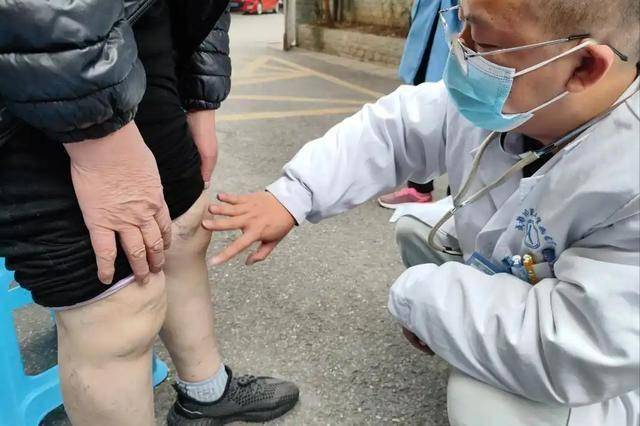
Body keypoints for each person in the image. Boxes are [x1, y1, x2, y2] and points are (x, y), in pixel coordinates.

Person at [202, 0, 640, 424]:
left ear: (584, 67)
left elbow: (575, 342)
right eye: (463, 24)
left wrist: (421, 301)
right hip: (525, 275)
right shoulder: (526, 100)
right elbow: (391, 129)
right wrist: (293, 195)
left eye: (486, 45)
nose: (462, 50)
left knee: (483, 404)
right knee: (415, 226)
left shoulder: (627, 173)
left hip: (611, 380)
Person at [0, 1, 298, 425]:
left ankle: (205, 394)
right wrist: (97, 138)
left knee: (183, 227)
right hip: (30, 54)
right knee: (111, 308)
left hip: (137, 22)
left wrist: (201, 97)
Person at [378, 0, 460, 209]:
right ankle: (419, 188)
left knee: (462, 118)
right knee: (419, 113)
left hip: (458, 32)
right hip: (430, 26)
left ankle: (458, 197)